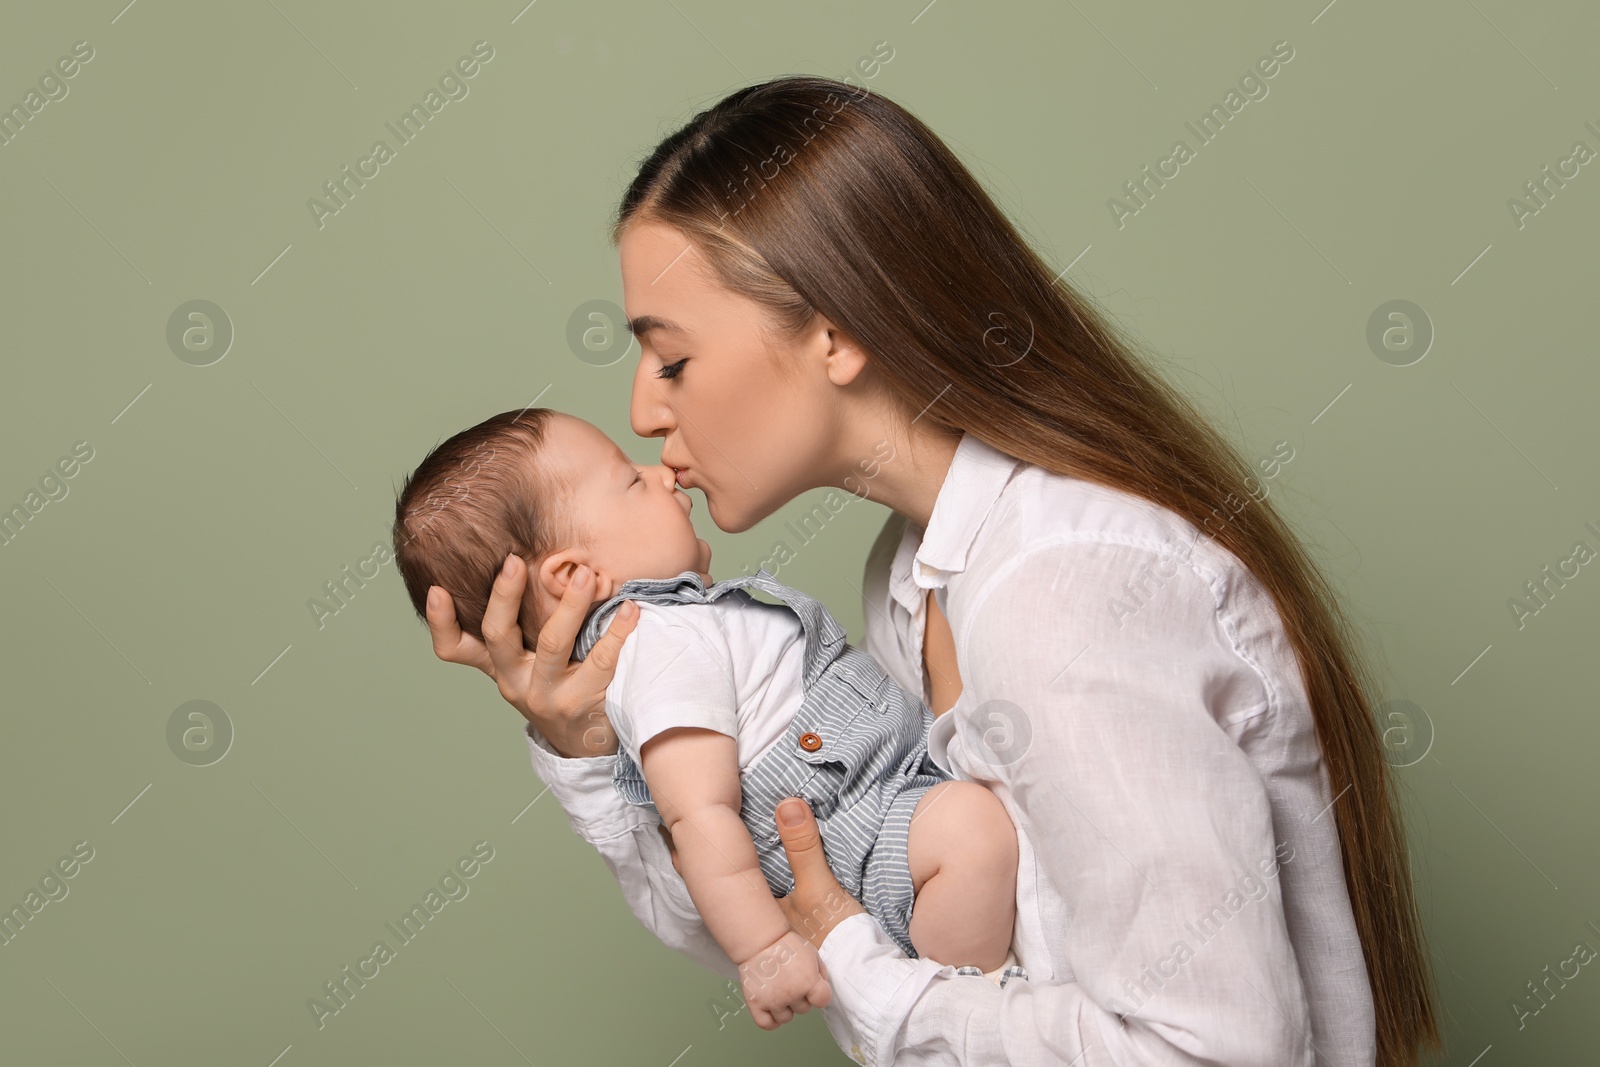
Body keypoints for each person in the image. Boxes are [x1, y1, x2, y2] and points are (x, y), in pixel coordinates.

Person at [422, 75, 1440, 1065]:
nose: (644, 412)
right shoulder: (912, 579)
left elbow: (1214, 1049)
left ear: (831, 330)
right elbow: (778, 902)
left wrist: (862, 968)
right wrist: (586, 745)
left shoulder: (1063, 590)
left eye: (673, 358)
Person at [390, 408, 1024, 1029]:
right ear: (575, 575)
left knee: (969, 829)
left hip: (878, 790)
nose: (663, 474)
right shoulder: (661, 639)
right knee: (971, 833)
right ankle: (980, 1006)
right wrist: (765, 949)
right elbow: (697, 814)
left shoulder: (670, 628)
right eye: (633, 480)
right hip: (856, 821)